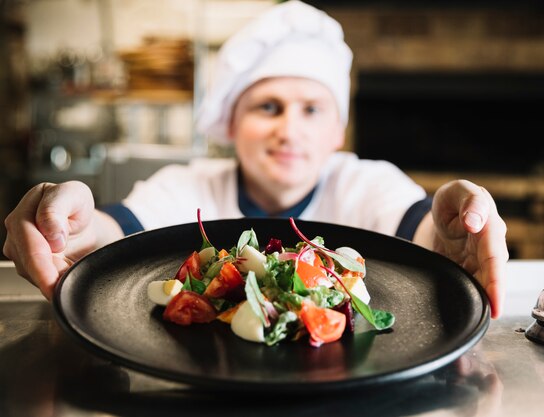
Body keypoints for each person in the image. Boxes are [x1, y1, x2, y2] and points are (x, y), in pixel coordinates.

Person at [3, 0, 508, 318]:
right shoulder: (188, 184)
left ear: (338, 130)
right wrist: (71, 229)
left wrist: (450, 235)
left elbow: (423, 230)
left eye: (311, 109)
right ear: (231, 123)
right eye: (267, 107)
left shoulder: (368, 183)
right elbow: (115, 231)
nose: (289, 129)